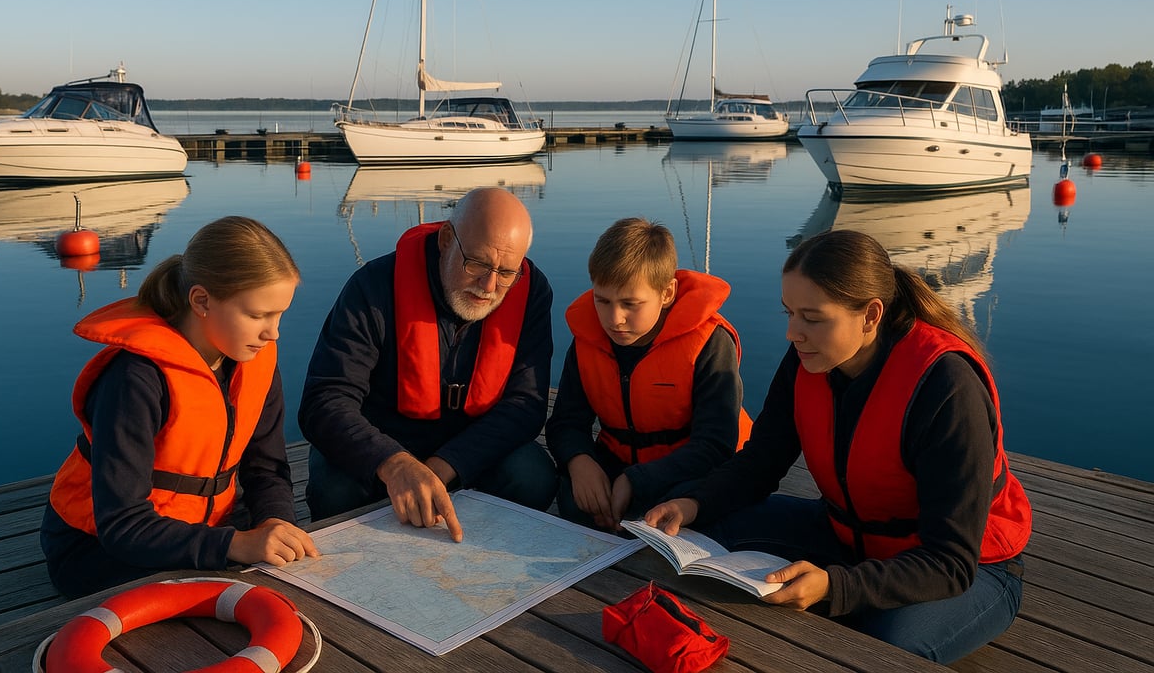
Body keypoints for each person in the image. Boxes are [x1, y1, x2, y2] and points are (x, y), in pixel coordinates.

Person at [641, 229, 1032, 664]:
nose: (793, 333)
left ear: (870, 315)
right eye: (789, 313)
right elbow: (760, 462)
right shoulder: (809, 356)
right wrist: (694, 502)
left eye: (811, 317)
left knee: (880, 648)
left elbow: (951, 561)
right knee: (701, 536)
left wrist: (836, 587)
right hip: (849, 536)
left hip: (968, 569)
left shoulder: (946, 386)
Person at [41, 216, 319, 598]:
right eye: (257, 315)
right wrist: (235, 546)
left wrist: (274, 524)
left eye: (279, 314)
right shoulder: (135, 379)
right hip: (99, 547)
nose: (273, 332)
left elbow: (267, 468)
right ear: (201, 301)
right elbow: (122, 525)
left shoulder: (256, 360)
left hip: (208, 531)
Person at [299, 187, 557, 539]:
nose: (489, 285)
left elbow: (525, 405)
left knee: (533, 478)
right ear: (447, 239)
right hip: (382, 445)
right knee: (333, 489)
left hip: (471, 447)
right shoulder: (372, 288)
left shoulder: (532, 292)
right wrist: (395, 465)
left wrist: (442, 467)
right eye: (477, 263)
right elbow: (325, 401)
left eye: (506, 272)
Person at [546, 217, 749, 531]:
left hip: (690, 468)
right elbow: (566, 422)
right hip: (618, 458)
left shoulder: (709, 343)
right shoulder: (588, 340)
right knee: (575, 502)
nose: (615, 319)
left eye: (631, 304)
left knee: (680, 512)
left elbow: (715, 445)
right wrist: (580, 461)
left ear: (667, 293)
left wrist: (636, 480)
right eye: (603, 300)